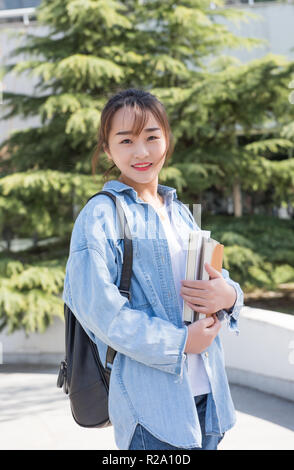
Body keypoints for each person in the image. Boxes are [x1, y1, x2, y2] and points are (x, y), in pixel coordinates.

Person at [62, 88, 244, 450]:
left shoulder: (177, 209)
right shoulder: (100, 216)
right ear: (107, 148)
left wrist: (230, 294)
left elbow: (208, 276)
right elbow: (102, 313)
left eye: (151, 137)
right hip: (153, 412)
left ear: (167, 140)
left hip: (208, 401)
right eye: (126, 140)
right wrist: (180, 343)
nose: (141, 152)